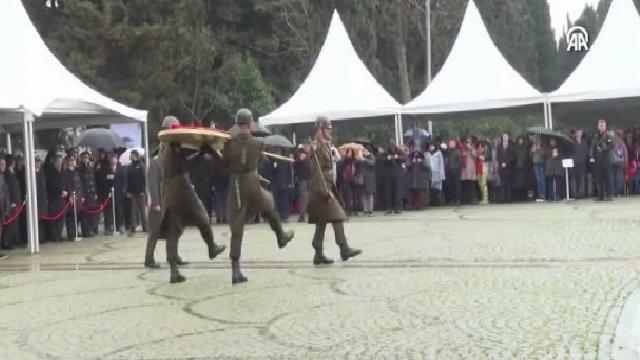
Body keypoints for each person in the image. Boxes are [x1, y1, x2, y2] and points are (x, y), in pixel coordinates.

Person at [224, 109, 294, 284]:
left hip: (237, 185)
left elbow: (224, 164)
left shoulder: (228, 143)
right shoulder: (258, 143)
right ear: (249, 123)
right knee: (268, 203)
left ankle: (235, 270)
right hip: (253, 182)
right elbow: (258, 159)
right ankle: (280, 235)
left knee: (237, 227)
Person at [157, 116, 226, 283]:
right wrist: (202, 153)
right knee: (202, 217)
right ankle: (211, 246)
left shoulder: (163, 149)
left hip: (170, 192)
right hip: (182, 189)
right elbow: (186, 166)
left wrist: (200, 153)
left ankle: (174, 270)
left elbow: (185, 164)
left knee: (173, 230)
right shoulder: (172, 149)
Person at [307, 116, 361, 265]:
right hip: (321, 188)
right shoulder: (316, 146)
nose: (330, 131)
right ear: (321, 129)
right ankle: (344, 249)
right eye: (328, 129)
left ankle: (318, 253)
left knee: (322, 221)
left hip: (327, 186)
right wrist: (324, 189)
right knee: (337, 215)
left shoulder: (324, 144)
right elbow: (316, 170)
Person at [145, 116, 189, 269]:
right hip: (161, 201)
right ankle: (149, 259)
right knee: (155, 231)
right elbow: (153, 183)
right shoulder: (157, 160)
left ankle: (174, 256)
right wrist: (156, 203)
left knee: (175, 229)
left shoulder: (176, 154)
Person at [590, 119, 615, 201]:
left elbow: (612, 145)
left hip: (606, 160)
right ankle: (600, 196)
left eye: (603, 126)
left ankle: (609, 195)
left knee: (608, 178)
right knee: (599, 179)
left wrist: (605, 148)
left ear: (605, 126)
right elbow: (592, 147)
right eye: (600, 125)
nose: (602, 127)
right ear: (598, 126)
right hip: (598, 161)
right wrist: (592, 156)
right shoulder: (595, 136)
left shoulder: (608, 136)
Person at [126, 150, 147, 236]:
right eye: (132, 155)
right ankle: (133, 226)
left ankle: (145, 226)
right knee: (133, 210)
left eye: (134, 155)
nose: (132, 156)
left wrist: (143, 190)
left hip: (140, 191)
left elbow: (144, 178)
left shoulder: (141, 165)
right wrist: (128, 191)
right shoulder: (130, 166)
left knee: (142, 209)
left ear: (137, 156)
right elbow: (128, 179)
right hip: (133, 192)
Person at [46, 154, 66, 242]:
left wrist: (65, 191)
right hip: (53, 198)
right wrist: (60, 191)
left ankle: (59, 234)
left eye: (60, 162)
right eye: (57, 162)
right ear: (54, 162)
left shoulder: (62, 172)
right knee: (54, 217)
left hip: (61, 198)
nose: (59, 164)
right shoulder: (50, 172)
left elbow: (64, 183)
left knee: (60, 217)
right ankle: (54, 236)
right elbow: (51, 184)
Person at [497, 132, 516, 203]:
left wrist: (506, 163)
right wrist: (502, 163)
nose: (504, 138)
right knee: (502, 184)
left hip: (509, 168)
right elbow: (498, 156)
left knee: (508, 184)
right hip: (501, 168)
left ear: (508, 138)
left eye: (506, 136)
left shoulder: (511, 146)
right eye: (503, 136)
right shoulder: (499, 146)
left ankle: (509, 198)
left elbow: (512, 157)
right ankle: (502, 198)